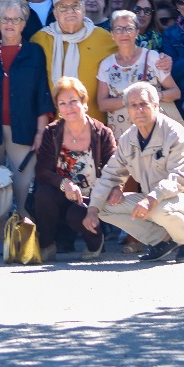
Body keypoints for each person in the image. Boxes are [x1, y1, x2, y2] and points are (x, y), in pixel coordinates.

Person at [85, 82, 184, 261]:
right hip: (156, 200)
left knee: (160, 209)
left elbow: (180, 177)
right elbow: (110, 175)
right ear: (127, 110)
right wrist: (92, 210)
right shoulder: (127, 138)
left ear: (156, 106)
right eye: (133, 105)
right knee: (103, 207)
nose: (139, 109)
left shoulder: (175, 133)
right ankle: (163, 240)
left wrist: (152, 198)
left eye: (144, 104)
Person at [0, 0, 52, 221]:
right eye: (4, 19)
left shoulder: (35, 52)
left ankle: (24, 235)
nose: (9, 24)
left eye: (16, 19)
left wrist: (41, 132)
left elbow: (42, 93)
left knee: (24, 185)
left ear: (24, 23)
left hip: (25, 129)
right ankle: (0, 237)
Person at [31, 77, 117, 261]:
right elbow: (42, 171)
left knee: (76, 214)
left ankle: (96, 242)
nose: (68, 107)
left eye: (73, 102)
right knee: (43, 195)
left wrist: (114, 191)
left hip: (93, 198)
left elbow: (115, 168)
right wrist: (64, 183)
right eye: (62, 103)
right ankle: (47, 244)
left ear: (84, 103)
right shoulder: (51, 132)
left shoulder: (102, 132)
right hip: (62, 193)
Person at [31, 0, 115, 124]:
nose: (70, 11)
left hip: (95, 127)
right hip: (55, 129)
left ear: (83, 9)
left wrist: (162, 60)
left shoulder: (104, 38)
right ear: (55, 13)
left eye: (75, 5)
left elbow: (129, 58)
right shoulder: (40, 39)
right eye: (63, 7)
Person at [97, 9, 180, 139]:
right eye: (119, 29)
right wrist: (132, 100)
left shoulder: (152, 58)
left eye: (129, 28)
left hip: (154, 134)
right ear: (112, 34)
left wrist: (153, 97)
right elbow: (102, 104)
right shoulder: (106, 65)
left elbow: (175, 92)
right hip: (122, 137)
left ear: (137, 32)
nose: (124, 33)